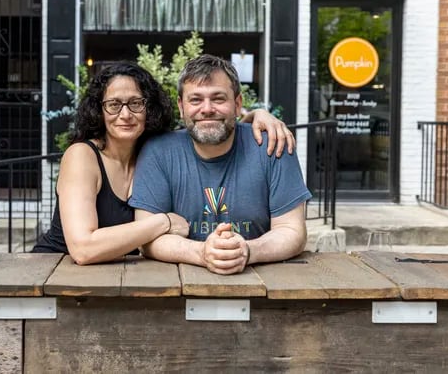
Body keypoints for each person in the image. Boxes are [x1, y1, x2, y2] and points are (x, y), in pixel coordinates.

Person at [32, 61, 295, 265]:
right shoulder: (82, 156)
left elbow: (209, 122)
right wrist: (164, 222)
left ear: (150, 107)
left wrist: (257, 115)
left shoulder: (152, 149)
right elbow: (83, 249)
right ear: (98, 110)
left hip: (115, 275)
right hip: (57, 269)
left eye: (136, 103)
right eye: (113, 104)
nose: (125, 114)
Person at [131, 55, 311, 274]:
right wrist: (202, 252)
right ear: (181, 106)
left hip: (266, 287)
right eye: (195, 100)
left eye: (218, 98)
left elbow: (292, 230)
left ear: (237, 104)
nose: (207, 109)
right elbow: (146, 238)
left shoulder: (273, 145)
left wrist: (247, 250)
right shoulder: (158, 152)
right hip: (176, 288)